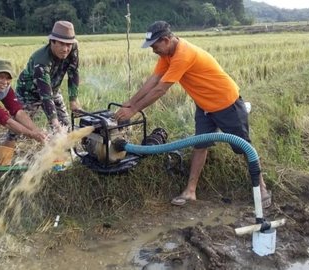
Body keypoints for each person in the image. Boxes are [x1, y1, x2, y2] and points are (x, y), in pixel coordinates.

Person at [113, 21, 272, 208]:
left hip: (226, 103)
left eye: (155, 46)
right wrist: (130, 102)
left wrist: (134, 110)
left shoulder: (183, 55)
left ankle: (261, 187)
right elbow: (154, 80)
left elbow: (161, 89)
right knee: (200, 145)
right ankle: (190, 191)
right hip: (204, 106)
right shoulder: (167, 54)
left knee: (244, 147)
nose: (153, 50)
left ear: (165, 40)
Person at [0, 20, 82, 163]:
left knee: (65, 125)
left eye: (68, 44)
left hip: (53, 89)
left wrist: (73, 99)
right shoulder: (41, 61)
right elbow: (45, 97)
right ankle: (1, 163)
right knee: (15, 131)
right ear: (52, 42)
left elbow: (73, 72)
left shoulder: (73, 49)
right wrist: (54, 123)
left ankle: (65, 159)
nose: (66, 49)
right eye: (62, 44)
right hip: (28, 93)